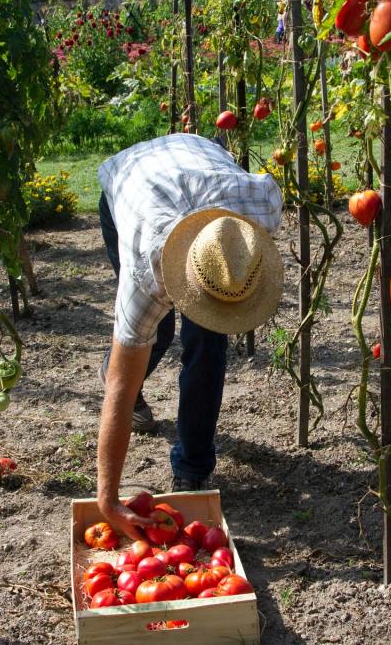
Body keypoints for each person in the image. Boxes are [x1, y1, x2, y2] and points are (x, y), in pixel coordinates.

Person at [94, 133, 284, 540]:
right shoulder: (146, 272)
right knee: (152, 337)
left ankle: (192, 469)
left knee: (208, 344)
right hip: (130, 183)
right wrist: (107, 501)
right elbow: (118, 392)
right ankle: (115, 365)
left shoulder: (255, 218)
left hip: (197, 158)